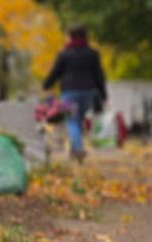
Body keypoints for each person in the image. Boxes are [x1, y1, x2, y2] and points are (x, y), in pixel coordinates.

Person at [43, 25, 107, 159]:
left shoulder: (64, 54)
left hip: (69, 91)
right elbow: (98, 75)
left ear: (71, 37)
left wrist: (46, 85)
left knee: (71, 120)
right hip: (87, 92)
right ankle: (74, 153)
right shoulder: (92, 53)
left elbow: (55, 72)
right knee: (77, 121)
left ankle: (78, 148)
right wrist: (103, 94)